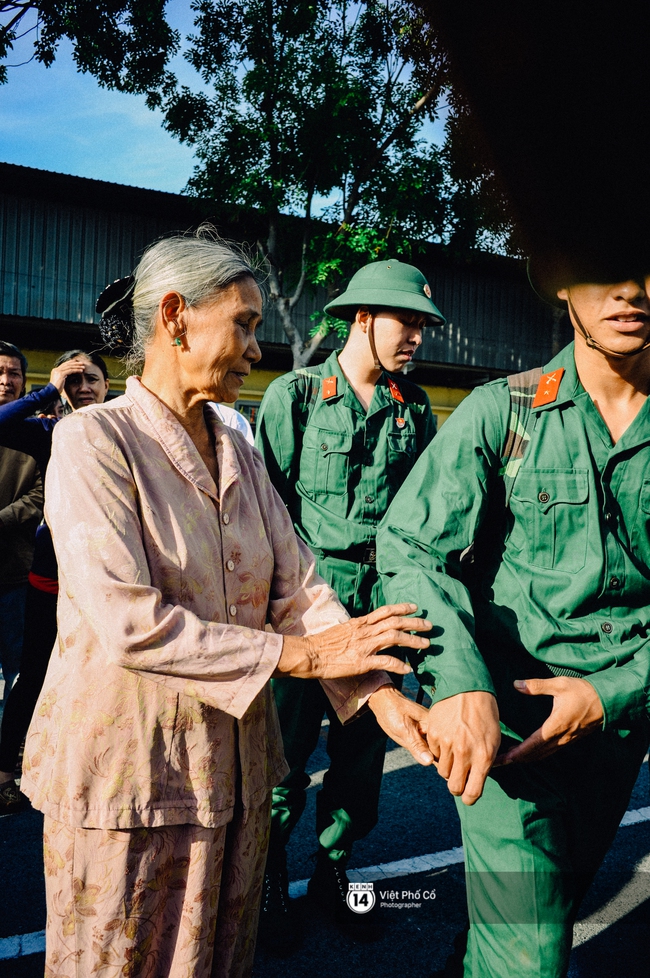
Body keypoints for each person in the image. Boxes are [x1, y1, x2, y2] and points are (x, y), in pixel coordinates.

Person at [20, 231, 434, 978]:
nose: (255, 347)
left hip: (234, 775)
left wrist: (380, 698)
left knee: (215, 960)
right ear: (176, 317)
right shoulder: (92, 441)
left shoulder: (237, 448)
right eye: (243, 323)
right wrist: (300, 657)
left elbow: (300, 587)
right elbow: (128, 621)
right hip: (131, 780)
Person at [377, 250, 650, 978]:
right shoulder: (507, 410)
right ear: (565, 280)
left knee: (547, 911)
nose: (630, 288)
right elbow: (409, 547)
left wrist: (616, 693)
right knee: (530, 958)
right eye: (607, 267)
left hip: (617, 728)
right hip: (506, 731)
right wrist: (460, 680)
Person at [254, 258, 443, 950]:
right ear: (363, 317)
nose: (418, 337)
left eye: (423, 325)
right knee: (285, 758)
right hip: (308, 605)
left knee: (362, 757)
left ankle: (335, 869)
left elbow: (418, 514)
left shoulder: (411, 407)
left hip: (383, 605)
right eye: (407, 322)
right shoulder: (296, 395)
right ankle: (268, 874)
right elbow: (266, 510)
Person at [0, 349, 109, 814]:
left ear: (108, 386)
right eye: (74, 380)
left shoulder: (128, 427)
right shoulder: (50, 430)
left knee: (104, 680)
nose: (84, 387)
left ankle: (90, 770)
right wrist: (48, 389)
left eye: (93, 379)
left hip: (111, 578)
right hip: (52, 575)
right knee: (35, 676)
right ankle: (6, 776)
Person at [0, 342, 43, 716]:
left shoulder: (33, 433)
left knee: (18, 673)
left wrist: (3, 519)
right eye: (0, 372)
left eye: (14, 373)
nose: (6, 380)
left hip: (15, 575)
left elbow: (42, 493)